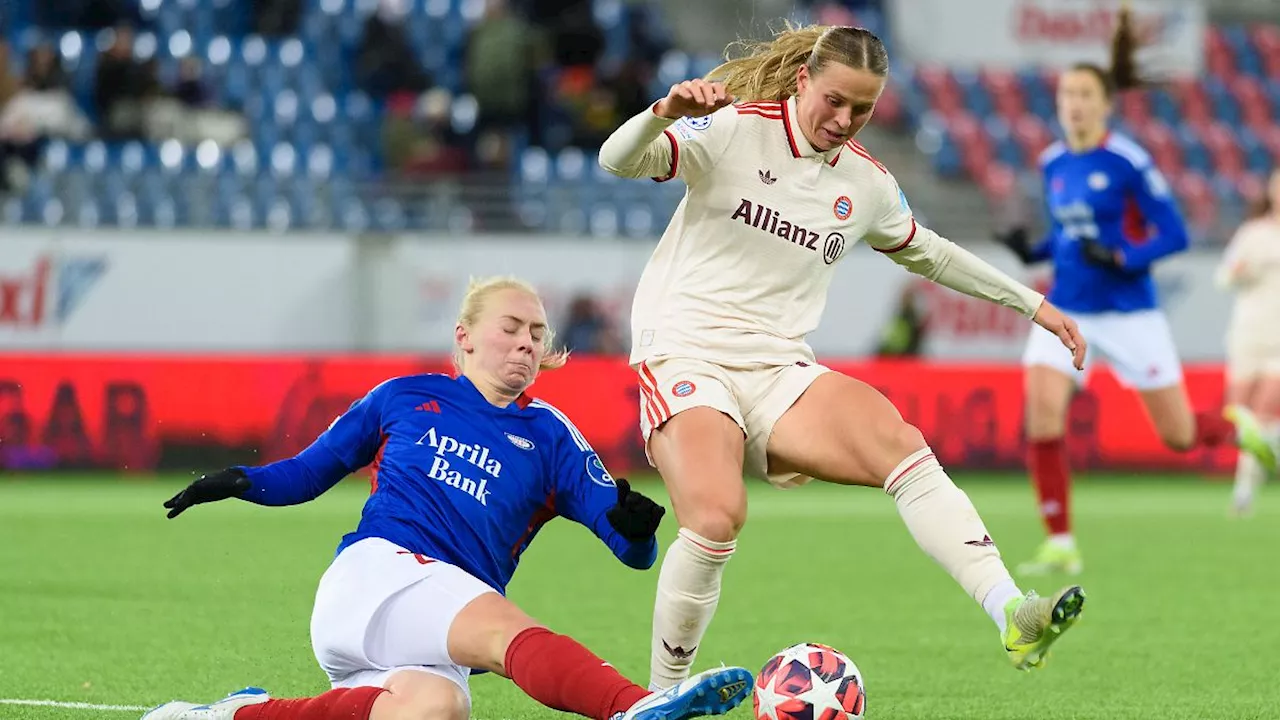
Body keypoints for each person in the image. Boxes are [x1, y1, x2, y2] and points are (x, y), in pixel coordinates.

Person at [597, 22, 1089, 692]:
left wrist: (1034, 305)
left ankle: (1013, 611)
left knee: (902, 444)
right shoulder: (735, 129)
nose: (845, 119)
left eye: (863, 109)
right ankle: (660, 695)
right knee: (715, 520)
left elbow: (933, 254)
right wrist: (663, 115)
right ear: (804, 80)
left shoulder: (867, 184)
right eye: (834, 100)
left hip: (779, 370)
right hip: (686, 348)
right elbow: (617, 161)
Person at [143, 276, 753, 720]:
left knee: (435, 708)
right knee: (505, 629)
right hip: (376, 578)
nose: (525, 343)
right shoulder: (404, 396)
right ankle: (632, 708)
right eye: (510, 328)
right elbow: (309, 473)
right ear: (464, 336)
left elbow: (633, 553)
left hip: (433, 640)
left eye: (537, 333)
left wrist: (637, 529)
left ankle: (228, 716)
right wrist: (242, 482)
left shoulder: (552, 437)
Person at [996, 7, 1277, 575]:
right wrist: (1037, 251)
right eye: (1066, 94)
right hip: (1067, 307)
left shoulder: (1128, 161)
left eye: (1083, 94)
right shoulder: (1053, 163)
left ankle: (1236, 428)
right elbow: (1070, 237)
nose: (1072, 103)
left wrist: (1124, 255)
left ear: (1104, 104)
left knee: (1178, 436)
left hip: (1128, 311)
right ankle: (1061, 542)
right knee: (1042, 416)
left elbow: (1174, 232)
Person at [1217, 169, 1280, 516]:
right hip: (1249, 331)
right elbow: (1224, 277)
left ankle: (1244, 491)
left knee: (1266, 410)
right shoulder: (1252, 233)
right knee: (1239, 418)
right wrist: (1238, 272)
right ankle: (1272, 456)